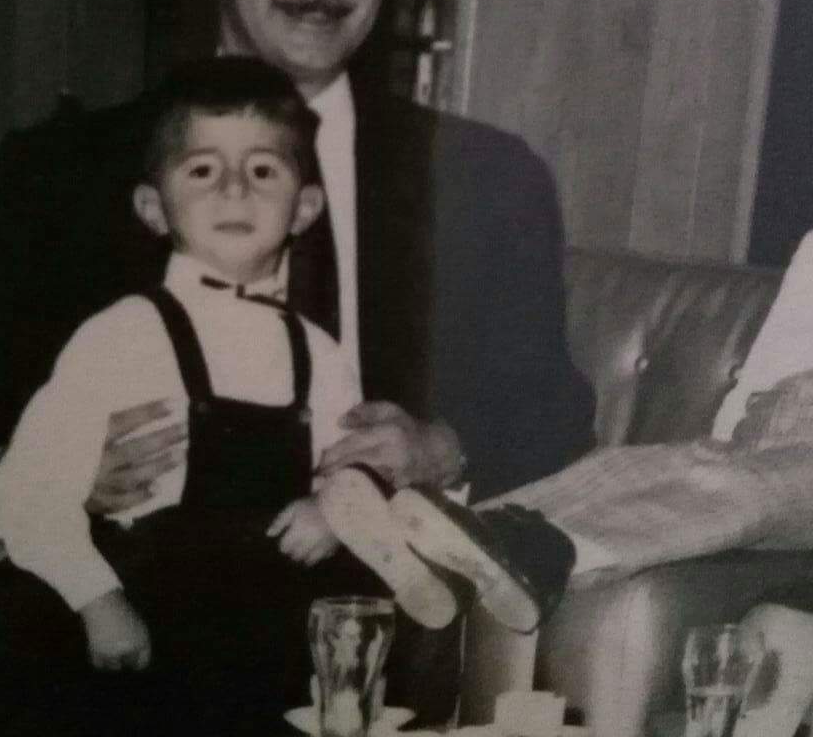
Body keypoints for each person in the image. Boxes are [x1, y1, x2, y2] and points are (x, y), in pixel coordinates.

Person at [0, 0, 595, 557]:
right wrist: (51, 480)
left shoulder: (485, 178)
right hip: (132, 592)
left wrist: (441, 449)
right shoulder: (74, 168)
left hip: (375, 581)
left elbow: (553, 410)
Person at [0, 56, 459, 737]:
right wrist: (97, 598)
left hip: (268, 615)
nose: (234, 190)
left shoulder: (319, 351)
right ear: (153, 207)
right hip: (151, 610)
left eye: (264, 170)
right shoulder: (120, 335)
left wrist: (332, 509)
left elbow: (348, 466)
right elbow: (29, 489)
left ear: (306, 206)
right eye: (203, 170)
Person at [333, 231, 813, 635]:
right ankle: (460, 540)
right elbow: (752, 398)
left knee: (739, 484)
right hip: (771, 432)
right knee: (644, 466)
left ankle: (524, 549)